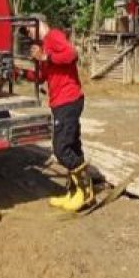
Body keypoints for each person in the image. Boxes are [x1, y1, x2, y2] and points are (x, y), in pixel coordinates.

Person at [30, 16, 92, 212]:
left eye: (29, 30)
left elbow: (71, 54)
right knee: (72, 145)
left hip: (68, 99)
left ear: (39, 25)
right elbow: (44, 75)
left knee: (61, 148)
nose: (29, 35)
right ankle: (75, 192)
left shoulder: (54, 36)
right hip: (60, 100)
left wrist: (45, 57)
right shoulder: (45, 45)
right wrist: (31, 68)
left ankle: (86, 192)